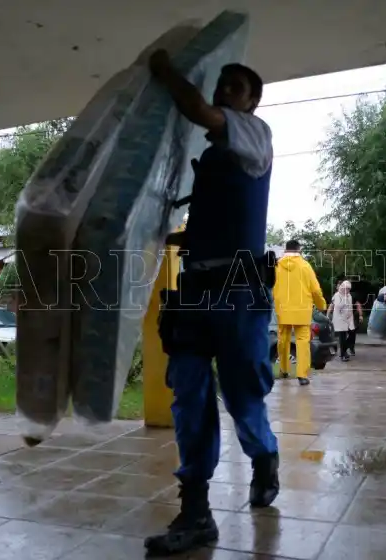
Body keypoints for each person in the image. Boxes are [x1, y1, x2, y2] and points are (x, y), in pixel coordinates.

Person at [146, 51, 279, 556]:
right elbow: (209, 230)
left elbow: (198, 110)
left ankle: (265, 457)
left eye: (235, 87)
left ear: (252, 102)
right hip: (196, 293)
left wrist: (164, 71)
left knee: (243, 396)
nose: (224, 92)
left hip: (240, 293)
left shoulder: (254, 134)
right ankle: (196, 514)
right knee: (190, 399)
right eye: (221, 84)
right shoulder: (208, 165)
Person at [272, 240, 326, 385]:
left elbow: (268, 286)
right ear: (299, 249)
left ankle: (284, 369)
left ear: (285, 249)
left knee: (283, 340)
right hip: (302, 310)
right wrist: (321, 305)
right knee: (302, 342)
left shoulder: (276, 265)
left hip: (282, 309)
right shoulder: (305, 266)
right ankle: (302, 375)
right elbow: (315, 289)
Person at [328, 280, 362, 361]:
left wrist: (360, 315)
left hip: (349, 319)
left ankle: (346, 349)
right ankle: (343, 354)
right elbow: (331, 306)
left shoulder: (350, 296)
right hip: (339, 319)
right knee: (342, 337)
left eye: (347, 288)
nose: (345, 290)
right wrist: (327, 315)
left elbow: (357, 305)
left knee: (352, 334)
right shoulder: (336, 296)